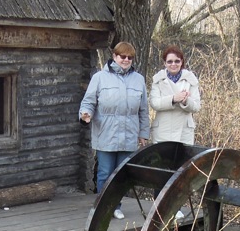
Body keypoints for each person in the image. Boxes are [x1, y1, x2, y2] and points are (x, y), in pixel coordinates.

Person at [79, 41, 150, 219]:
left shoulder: (138, 79)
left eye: (129, 57)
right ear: (114, 57)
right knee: (105, 172)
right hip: (106, 134)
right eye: (122, 56)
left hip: (129, 135)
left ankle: (116, 206)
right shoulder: (99, 78)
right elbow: (88, 101)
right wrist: (85, 114)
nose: (126, 60)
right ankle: (103, 207)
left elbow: (143, 109)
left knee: (122, 175)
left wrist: (143, 133)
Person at [149, 45, 201, 219]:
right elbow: (155, 103)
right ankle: (159, 208)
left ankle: (176, 207)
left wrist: (185, 101)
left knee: (180, 171)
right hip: (163, 130)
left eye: (177, 61)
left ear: (182, 62)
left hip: (184, 131)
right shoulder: (158, 80)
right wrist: (173, 98)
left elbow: (197, 106)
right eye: (169, 61)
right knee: (162, 170)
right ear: (165, 63)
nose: (173, 64)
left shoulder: (191, 80)